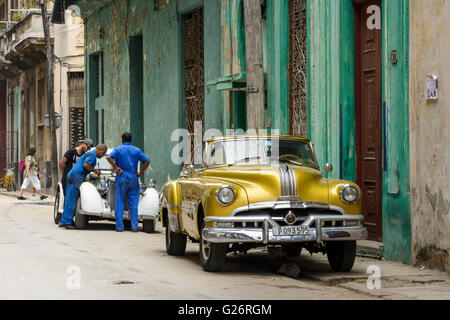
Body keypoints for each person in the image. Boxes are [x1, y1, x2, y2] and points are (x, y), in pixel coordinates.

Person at [107, 133, 150, 232]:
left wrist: (116, 167)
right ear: (131, 140)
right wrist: (141, 173)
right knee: (133, 204)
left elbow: (108, 157)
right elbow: (147, 161)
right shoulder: (137, 150)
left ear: (122, 140)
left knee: (120, 202)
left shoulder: (118, 149)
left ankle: (119, 227)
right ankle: (134, 227)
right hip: (133, 177)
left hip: (121, 177)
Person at [59, 144, 108, 229]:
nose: (102, 155)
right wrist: (95, 171)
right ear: (99, 149)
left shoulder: (90, 153)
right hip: (76, 177)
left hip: (74, 175)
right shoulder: (93, 154)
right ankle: (66, 222)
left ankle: (66, 221)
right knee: (71, 200)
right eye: (103, 153)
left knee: (70, 199)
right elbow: (86, 165)